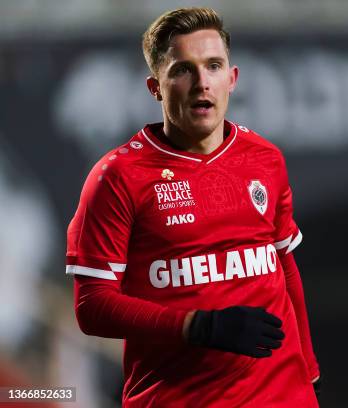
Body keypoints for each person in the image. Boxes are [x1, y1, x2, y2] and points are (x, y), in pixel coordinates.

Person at [65, 7, 320, 407]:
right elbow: (92, 304)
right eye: (184, 69)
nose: (202, 83)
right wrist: (198, 326)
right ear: (155, 87)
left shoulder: (265, 158)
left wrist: (310, 370)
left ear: (232, 79)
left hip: (282, 395)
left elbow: (284, 266)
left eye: (214, 66)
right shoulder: (118, 176)